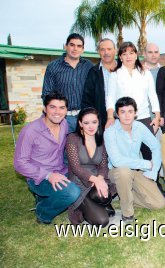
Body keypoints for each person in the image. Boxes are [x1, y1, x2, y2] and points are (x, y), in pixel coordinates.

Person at [14, 91, 80, 224]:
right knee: (72, 193)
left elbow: (85, 121)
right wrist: (48, 175)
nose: (57, 112)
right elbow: (19, 163)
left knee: (87, 184)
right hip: (39, 178)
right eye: (52, 107)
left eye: (62, 108)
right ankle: (42, 212)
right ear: (44, 109)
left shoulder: (65, 124)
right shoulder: (30, 131)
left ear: (66, 110)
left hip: (62, 171)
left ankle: (45, 198)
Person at [104, 97, 165, 222]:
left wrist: (153, 172)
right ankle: (127, 212)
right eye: (123, 112)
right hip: (117, 172)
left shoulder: (139, 127)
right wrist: (147, 164)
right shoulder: (110, 132)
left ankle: (125, 194)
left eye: (130, 111)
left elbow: (156, 147)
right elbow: (117, 161)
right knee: (124, 172)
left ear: (135, 113)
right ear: (117, 114)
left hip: (137, 171)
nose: (127, 116)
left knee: (159, 204)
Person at [106, 41, 161, 166]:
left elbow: (152, 95)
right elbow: (110, 96)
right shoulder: (115, 74)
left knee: (148, 150)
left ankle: (152, 179)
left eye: (131, 53)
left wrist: (157, 116)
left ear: (136, 55)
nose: (128, 56)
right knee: (125, 151)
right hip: (122, 118)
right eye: (124, 54)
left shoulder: (145, 73)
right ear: (120, 57)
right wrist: (110, 116)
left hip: (143, 117)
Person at [66, 108, 117, 226]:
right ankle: (88, 206)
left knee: (102, 196)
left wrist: (100, 179)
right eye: (86, 123)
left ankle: (102, 202)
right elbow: (76, 168)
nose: (91, 126)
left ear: (98, 122)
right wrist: (96, 181)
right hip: (79, 181)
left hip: (97, 177)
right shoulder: (72, 139)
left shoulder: (101, 139)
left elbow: (103, 165)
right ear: (80, 123)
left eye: (94, 122)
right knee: (102, 221)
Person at [42, 33, 93, 133]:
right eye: (72, 45)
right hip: (62, 118)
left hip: (84, 117)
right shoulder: (53, 66)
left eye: (79, 46)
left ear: (82, 49)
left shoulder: (88, 66)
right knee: (61, 148)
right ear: (65, 46)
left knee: (84, 148)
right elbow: (46, 93)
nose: (75, 49)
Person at [81, 38, 117, 129]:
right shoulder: (93, 72)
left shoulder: (124, 69)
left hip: (124, 120)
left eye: (109, 49)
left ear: (115, 51)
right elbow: (87, 100)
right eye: (102, 49)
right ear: (98, 52)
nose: (106, 52)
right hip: (101, 121)